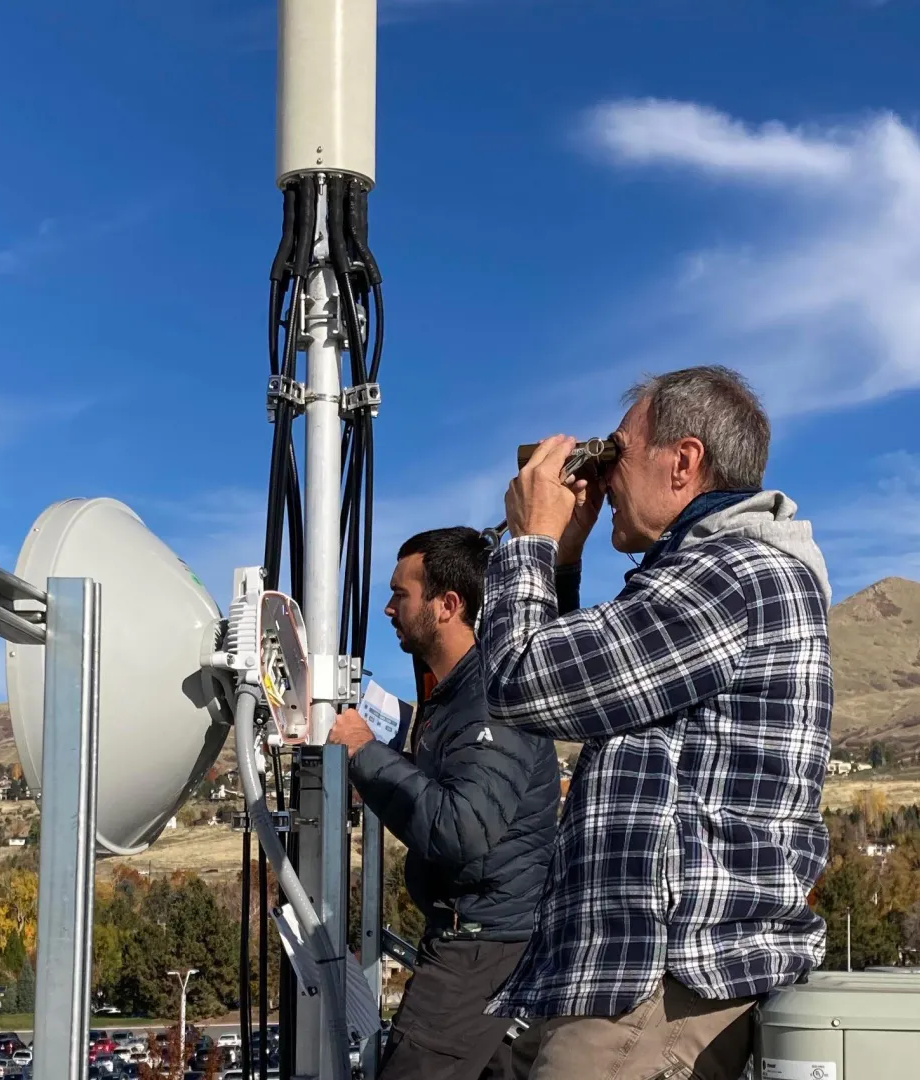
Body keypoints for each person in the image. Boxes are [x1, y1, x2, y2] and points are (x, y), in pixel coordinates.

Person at [480, 365, 833, 1080]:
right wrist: (565, 558)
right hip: (630, 978)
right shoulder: (707, 576)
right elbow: (580, 689)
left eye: (617, 450)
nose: (604, 475)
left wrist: (529, 542)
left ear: (683, 460)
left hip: (660, 982)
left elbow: (524, 681)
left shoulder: (732, 573)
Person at [326, 526, 565, 1080]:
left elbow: (461, 828)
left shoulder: (487, 699)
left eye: (401, 594)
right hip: (483, 938)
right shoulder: (453, 697)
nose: (388, 608)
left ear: (446, 605)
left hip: (480, 948)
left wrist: (365, 753)